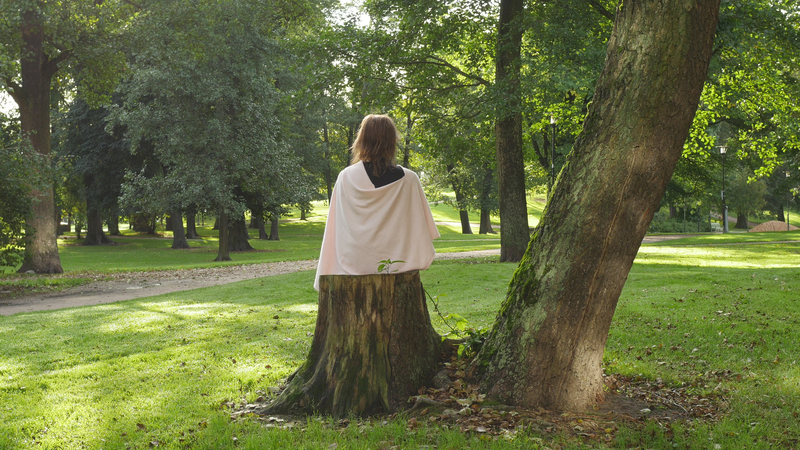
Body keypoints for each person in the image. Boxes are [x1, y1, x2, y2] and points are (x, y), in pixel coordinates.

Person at [314, 114, 439, 290]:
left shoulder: (346, 177)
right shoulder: (409, 179)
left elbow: (336, 229)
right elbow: (421, 229)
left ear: (362, 140)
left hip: (353, 261)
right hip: (399, 261)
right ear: (392, 141)